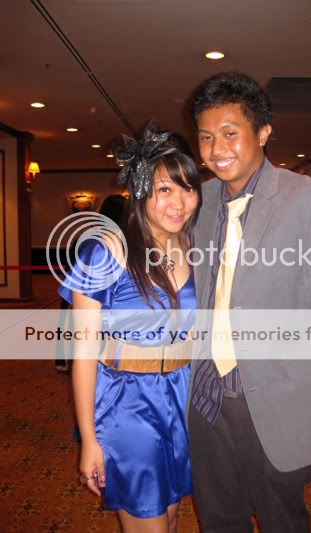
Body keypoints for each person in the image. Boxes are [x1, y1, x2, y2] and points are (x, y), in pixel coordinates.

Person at [187, 72, 311, 532]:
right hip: (205, 397)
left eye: (230, 133)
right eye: (205, 137)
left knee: (282, 518)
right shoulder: (199, 201)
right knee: (218, 518)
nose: (216, 149)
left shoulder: (307, 199)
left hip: (278, 398)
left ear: (263, 132)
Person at [59, 123, 201, 532]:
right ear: (140, 191)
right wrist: (89, 440)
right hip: (128, 404)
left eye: (188, 188)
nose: (179, 202)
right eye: (165, 189)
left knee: (171, 515)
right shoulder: (105, 251)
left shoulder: (191, 247)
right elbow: (84, 353)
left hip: (182, 398)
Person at [55, 194, 127, 373]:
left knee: (74, 328)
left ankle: (66, 362)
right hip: (94, 292)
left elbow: (70, 263)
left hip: (77, 287)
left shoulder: (87, 237)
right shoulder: (115, 241)